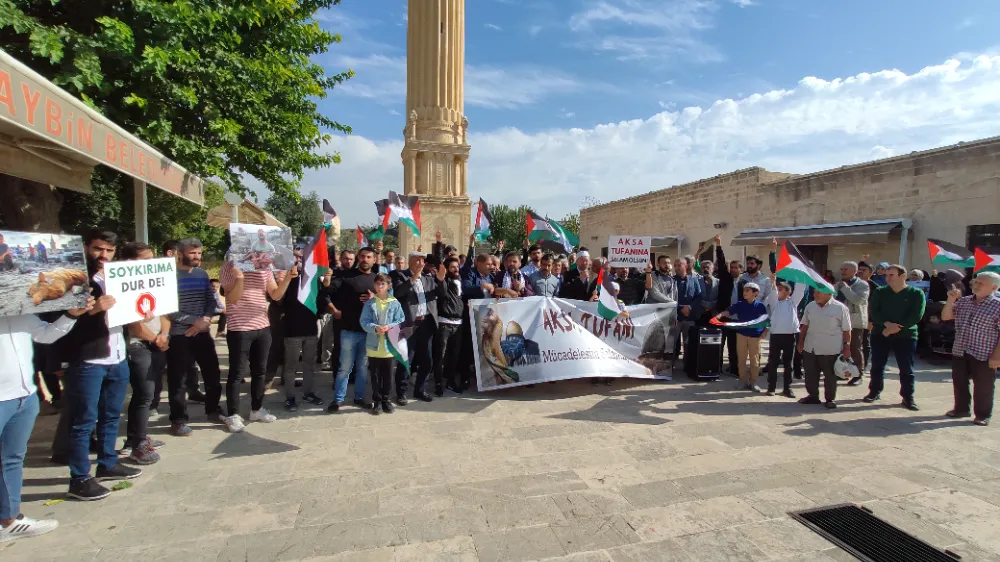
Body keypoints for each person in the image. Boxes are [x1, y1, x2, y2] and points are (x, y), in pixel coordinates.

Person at [60, 229, 143, 500]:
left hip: (117, 355)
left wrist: (142, 312)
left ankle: (107, 463)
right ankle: (80, 478)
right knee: (84, 421)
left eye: (109, 250)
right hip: (88, 359)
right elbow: (62, 324)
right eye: (98, 248)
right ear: (86, 247)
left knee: (111, 415)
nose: (103, 254)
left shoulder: (119, 277)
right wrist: (94, 309)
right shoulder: (75, 280)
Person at [0, 295, 89, 539]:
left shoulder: (20, 310)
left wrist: (70, 315)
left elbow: (45, 335)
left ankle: (9, 519)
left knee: (12, 458)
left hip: (24, 396)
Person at [219, 255, 297, 432]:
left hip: (262, 327)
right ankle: (233, 415)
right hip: (239, 328)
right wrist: (240, 278)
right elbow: (233, 298)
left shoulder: (265, 268)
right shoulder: (229, 267)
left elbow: (275, 295)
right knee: (237, 373)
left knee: (260, 372)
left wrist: (287, 278)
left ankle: (256, 409)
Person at [166, 238, 225, 437]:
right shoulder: (169, 276)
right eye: (192, 253)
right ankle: (178, 420)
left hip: (202, 332)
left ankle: (213, 410)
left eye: (199, 253)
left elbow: (211, 301)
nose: (197, 256)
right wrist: (195, 321)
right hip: (179, 335)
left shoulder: (202, 274)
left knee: (212, 374)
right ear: (179, 253)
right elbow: (168, 309)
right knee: (179, 379)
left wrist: (205, 319)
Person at [119, 242, 166, 465]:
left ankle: (138, 437)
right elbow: (133, 325)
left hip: (157, 342)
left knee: (152, 392)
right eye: (145, 260)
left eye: (151, 259)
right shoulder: (124, 286)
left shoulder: (156, 282)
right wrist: (155, 338)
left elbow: (166, 313)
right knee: (144, 394)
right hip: (138, 345)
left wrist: (164, 334)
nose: (150, 264)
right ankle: (137, 445)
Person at [942, 272, 1000, 426]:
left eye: (981, 283)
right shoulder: (964, 301)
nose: (976, 285)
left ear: (994, 287)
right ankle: (961, 409)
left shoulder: (997, 305)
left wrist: (997, 356)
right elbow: (946, 316)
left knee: (983, 386)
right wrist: (951, 300)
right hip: (960, 349)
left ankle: (982, 415)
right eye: (976, 281)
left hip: (984, 352)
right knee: (959, 382)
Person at [865, 264, 926, 410]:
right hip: (881, 333)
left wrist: (896, 328)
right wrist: (886, 324)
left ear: (903, 276)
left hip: (906, 335)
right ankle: (874, 391)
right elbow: (874, 311)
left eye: (891, 275)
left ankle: (908, 397)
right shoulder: (880, 292)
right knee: (877, 365)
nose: (887, 278)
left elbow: (916, 315)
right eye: (886, 275)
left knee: (906, 368)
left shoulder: (916, 293)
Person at [328, 247, 378, 412]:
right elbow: (328, 292)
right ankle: (338, 399)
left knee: (362, 368)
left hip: (368, 331)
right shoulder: (345, 276)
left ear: (374, 260)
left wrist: (375, 298)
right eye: (362, 256)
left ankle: (359, 397)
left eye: (369, 257)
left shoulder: (377, 279)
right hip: (348, 330)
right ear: (358, 257)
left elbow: (388, 300)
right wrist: (333, 308)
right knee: (345, 368)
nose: (365, 259)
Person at [280, 247, 328, 412]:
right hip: (292, 330)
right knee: (291, 366)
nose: (299, 260)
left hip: (310, 329)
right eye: (296, 257)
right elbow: (277, 300)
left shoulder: (313, 280)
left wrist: (325, 284)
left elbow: (321, 300)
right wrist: (285, 279)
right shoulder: (286, 277)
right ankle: (290, 397)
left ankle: (308, 393)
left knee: (309, 365)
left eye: (302, 258)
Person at [391, 251, 438, 404]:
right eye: (417, 260)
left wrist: (442, 279)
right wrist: (413, 277)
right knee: (406, 360)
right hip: (409, 324)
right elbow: (398, 293)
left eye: (422, 260)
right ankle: (401, 393)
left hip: (426, 323)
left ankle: (420, 390)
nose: (420, 263)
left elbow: (441, 293)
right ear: (410, 261)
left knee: (427, 360)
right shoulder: (399, 275)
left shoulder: (428, 279)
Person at [797, 288, 853, 409]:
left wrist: (847, 347)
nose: (815, 294)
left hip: (830, 348)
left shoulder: (840, 308)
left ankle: (830, 399)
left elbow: (847, 330)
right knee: (810, 374)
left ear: (829, 293)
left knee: (830, 375)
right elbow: (804, 325)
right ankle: (813, 396)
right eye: (814, 292)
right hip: (810, 347)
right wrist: (800, 341)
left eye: (819, 292)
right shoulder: (810, 306)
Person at [360, 273, 406, 415]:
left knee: (388, 376)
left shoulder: (394, 302)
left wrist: (389, 326)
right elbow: (364, 321)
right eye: (377, 284)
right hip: (374, 346)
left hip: (389, 346)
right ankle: (377, 401)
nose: (379, 286)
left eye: (382, 284)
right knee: (375, 376)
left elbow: (400, 319)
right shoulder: (369, 303)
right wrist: (375, 328)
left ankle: (386, 400)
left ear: (388, 286)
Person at [715, 283, 768, 392]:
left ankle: (753, 382)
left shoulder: (760, 306)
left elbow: (765, 320)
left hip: (755, 336)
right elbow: (729, 311)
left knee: (754, 360)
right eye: (744, 290)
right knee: (741, 359)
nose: (744, 292)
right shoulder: (740, 304)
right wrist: (720, 315)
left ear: (755, 293)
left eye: (748, 290)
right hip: (741, 335)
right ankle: (743, 381)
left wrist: (765, 331)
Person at [764, 274, 806, 398]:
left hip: (790, 336)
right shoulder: (774, 303)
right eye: (777, 289)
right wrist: (773, 282)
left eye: (781, 289)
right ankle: (771, 388)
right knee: (773, 363)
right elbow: (773, 293)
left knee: (788, 364)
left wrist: (800, 275)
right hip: (776, 336)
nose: (778, 291)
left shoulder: (793, 302)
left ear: (788, 292)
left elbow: (800, 290)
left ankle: (787, 388)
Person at [433, 258, 465, 396]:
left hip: (458, 325)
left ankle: (450, 382)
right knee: (440, 356)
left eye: (457, 266)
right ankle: (438, 384)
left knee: (454, 356)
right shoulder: (444, 282)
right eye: (452, 267)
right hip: (444, 324)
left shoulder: (460, 281)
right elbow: (441, 291)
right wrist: (441, 278)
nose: (456, 269)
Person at [835, 261, 870, 386]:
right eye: (841, 269)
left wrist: (845, 288)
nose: (842, 272)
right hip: (839, 322)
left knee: (854, 348)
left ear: (854, 271)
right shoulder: (838, 284)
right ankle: (843, 372)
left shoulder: (862, 285)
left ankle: (858, 374)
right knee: (840, 348)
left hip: (854, 322)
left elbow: (858, 300)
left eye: (845, 269)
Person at [713, 235, 743, 376]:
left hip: (737, 319)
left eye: (736, 268)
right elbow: (721, 261)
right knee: (719, 343)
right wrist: (719, 245)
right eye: (732, 267)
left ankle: (734, 369)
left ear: (741, 269)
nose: (733, 269)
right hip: (724, 316)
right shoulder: (726, 278)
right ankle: (716, 368)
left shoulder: (744, 283)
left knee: (734, 345)